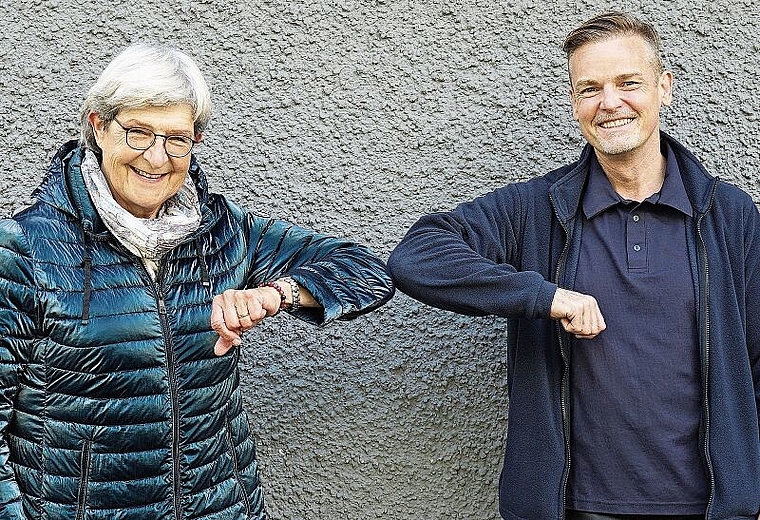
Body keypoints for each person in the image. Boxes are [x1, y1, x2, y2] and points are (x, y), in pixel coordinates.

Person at [388, 11, 760, 520]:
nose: (609, 103)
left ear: (664, 88)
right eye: (590, 89)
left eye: (628, 83)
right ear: (574, 103)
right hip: (572, 507)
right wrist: (546, 297)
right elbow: (417, 256)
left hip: (711, 506)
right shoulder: (536, 209)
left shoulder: (728, 214)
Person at [0, 43, 394, 520]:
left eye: (177, 138)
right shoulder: (25, 248)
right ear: (99, 127)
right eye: (138, 132)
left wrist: (276, 293)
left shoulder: (221, 232)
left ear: (195, 142)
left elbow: (366, 270)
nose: (157, 156)